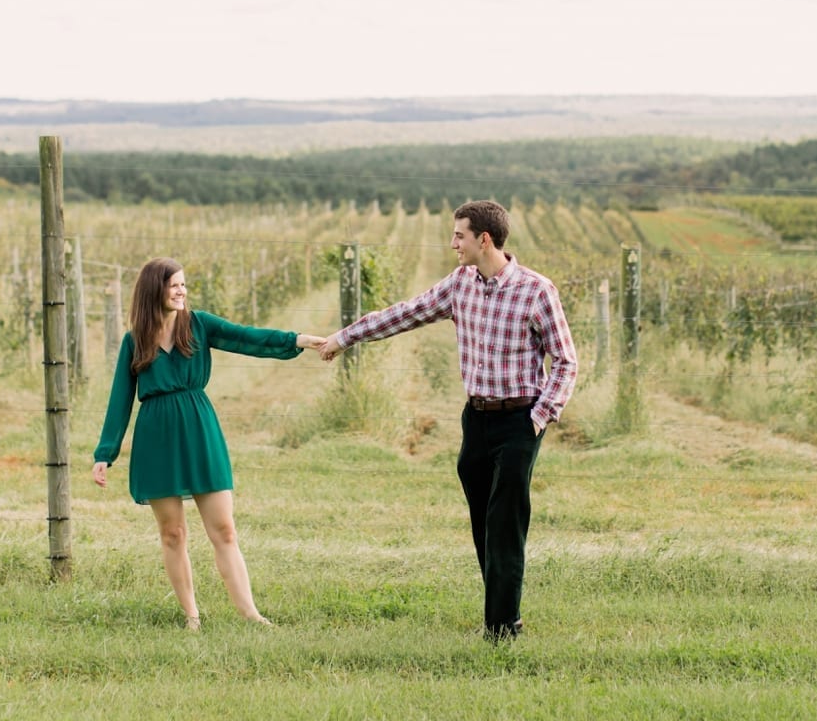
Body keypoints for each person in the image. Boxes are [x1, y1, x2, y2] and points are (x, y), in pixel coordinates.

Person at [319, 200, 578, 642]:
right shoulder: (460, 284)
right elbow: (405, 313)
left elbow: (566, 363)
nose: (452, 243)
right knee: (483, 522)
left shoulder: (536, 290)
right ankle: (503, 608)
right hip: (475, 420)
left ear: (484, 239)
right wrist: (344, 337)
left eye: (459, 235)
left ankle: (501, 628)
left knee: (504, 522)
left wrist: (539, 417)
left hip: (520, 419)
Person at [92, 257, 325, 630]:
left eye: (184, 284)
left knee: (224, 530)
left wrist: (295, 340)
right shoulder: (134, 341)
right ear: (156, 290)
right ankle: (191, 616)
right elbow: (120, 398)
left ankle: (251, 614)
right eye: (174, 285)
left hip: (200, 430)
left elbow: (246, 336)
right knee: (173, 533)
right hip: (156, 439)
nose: (182, 291)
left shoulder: (198, 325)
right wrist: (105, 453)